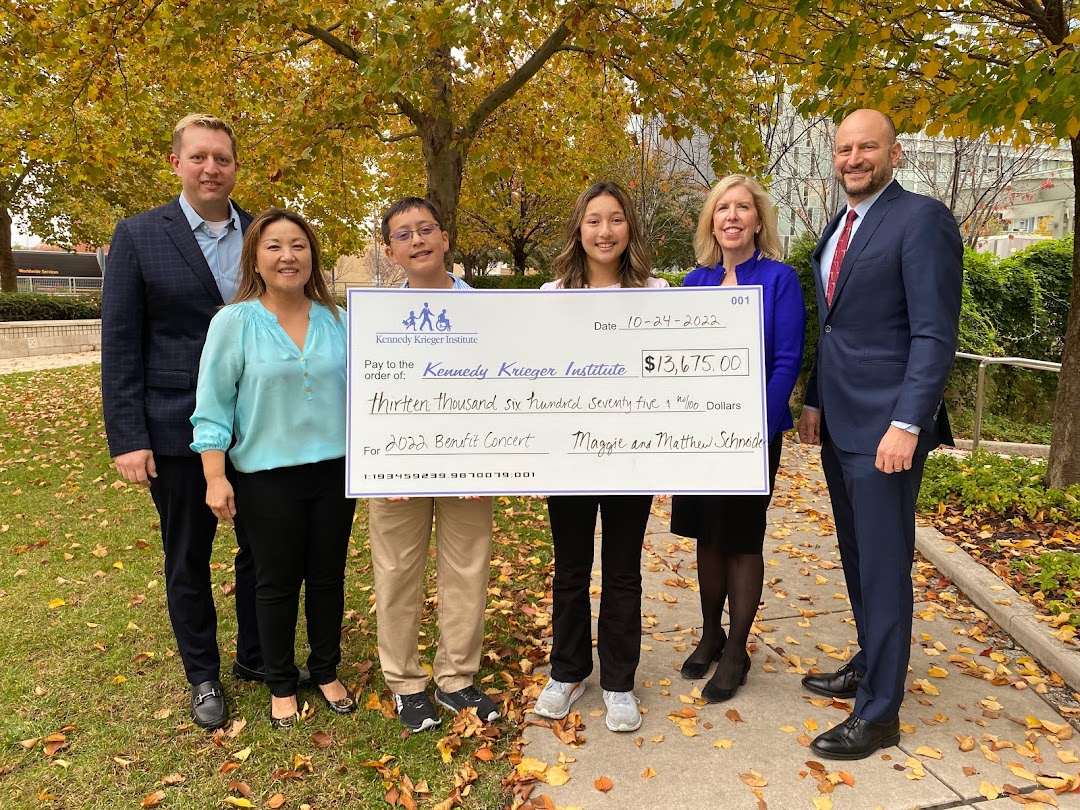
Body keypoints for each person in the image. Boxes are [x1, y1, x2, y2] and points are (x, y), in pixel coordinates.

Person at [797, 109, 962, 760]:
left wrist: (906, 422)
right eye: (844, 149)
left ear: (893, 152)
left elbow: (933, 332)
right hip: (841, 421)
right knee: (859, 556)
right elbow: (834, 326)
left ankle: (879, 714)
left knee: (886, 564)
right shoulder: (839, 224)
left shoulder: (921, 220)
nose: (853, 158)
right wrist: (813, 401)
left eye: (867, 147)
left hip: (888, 428)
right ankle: (872, 663)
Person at [101, 114, 273, 730]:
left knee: (260, 551)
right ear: (176, 163)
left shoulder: (265, 235)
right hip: (174, 429)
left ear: (234, 166)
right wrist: (128, 437)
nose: (211, 169)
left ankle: (256, 656)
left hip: (262, 428)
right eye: (198, 157)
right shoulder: (140, 236)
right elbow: (121, 342)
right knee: (188, 557)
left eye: (221, 158)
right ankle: (203, 674)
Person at [191, 209, 356, 729]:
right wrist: (215, 477)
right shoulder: (233, 323)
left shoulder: (340, 320)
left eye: (299, 245)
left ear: (313, 257)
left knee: (328, 577)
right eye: (274, 246)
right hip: (265, 477)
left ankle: (325, 669)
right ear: (255, 259)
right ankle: (281, 681)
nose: (288, 256)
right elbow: (213, 405)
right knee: (276, 581)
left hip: (336, 473)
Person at [531, 181, 668, 733]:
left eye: (615, 220)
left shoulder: (655, 292)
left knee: (623, 572)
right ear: (579, 228)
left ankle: (618, 681)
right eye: (594, 220)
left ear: (629, 228)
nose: (604, 231)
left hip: (630, 456)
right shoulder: (551, 293)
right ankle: (567, 671)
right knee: (569, 569)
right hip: (568, 456)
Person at [670, 175, 805, 703]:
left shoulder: (778, 280)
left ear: (757, 219)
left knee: (742, 539)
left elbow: (787, 361)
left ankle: (737, 651)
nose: (731, 216)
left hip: (751, 434)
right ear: (711, 220)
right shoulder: (693, 282)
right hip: (699, 435)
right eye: (722, 208)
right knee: (707, 533)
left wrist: (756, 428)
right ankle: (711, 632)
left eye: (742, 208)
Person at [369, 197, 500, 733]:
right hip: (395, 470)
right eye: (404, 234)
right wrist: (380, 461)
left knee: (467, 568)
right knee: (397, 571)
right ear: (390, 250)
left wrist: (487, 459)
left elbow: (508, 383)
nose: (418, 240)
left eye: (427, 229)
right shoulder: (374, 316)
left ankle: (456, 678)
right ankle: (404, 682)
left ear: (446, 239)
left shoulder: (489, 314)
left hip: (469, 466)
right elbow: (365, 393)